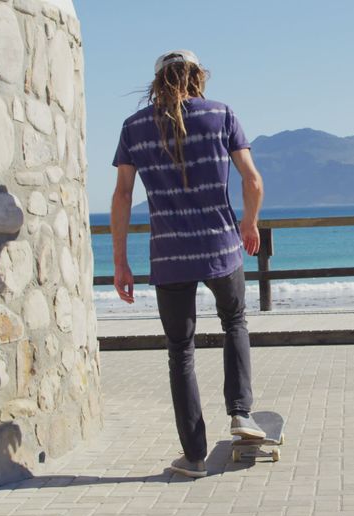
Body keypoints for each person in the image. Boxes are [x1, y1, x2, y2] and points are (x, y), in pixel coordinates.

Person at [110, 50, 265, 478]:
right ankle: (240, 414)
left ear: (157, 82)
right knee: (234, 322)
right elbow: (252, 180)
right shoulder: (222, 114)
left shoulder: (134, 127)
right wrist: (249, 225)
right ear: (198, 77)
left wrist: (120, 262)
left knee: (181, 351)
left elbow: (122, 195)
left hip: (170, 254)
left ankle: (193, 456)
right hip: (220, 247)